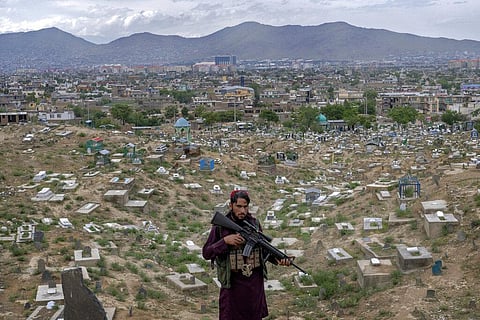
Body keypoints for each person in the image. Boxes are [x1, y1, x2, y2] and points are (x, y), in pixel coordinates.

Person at [202, 190, 292, 320]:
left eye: (245, 206)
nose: (242, 210)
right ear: (231, 205)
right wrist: (225, 242)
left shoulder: (254, 224)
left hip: (254, 286)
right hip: (232, 287)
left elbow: (264, 249)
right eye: (239, 206)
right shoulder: (221, 226)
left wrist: (279, 259)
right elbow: (206, 253)